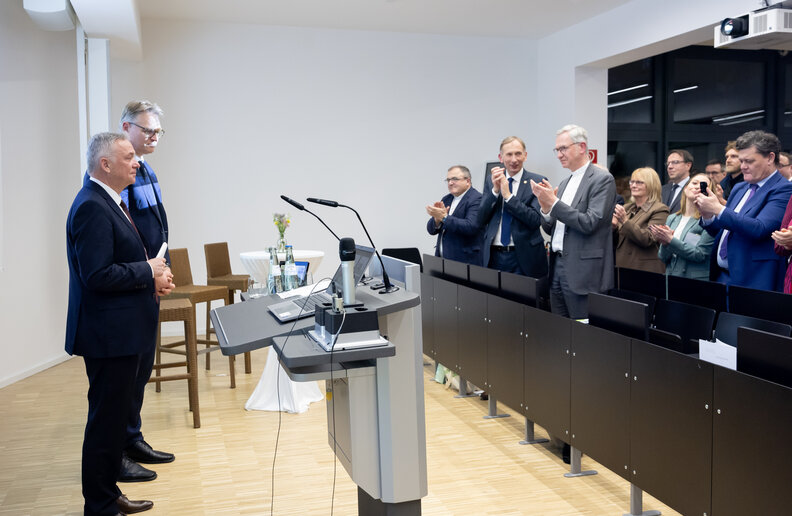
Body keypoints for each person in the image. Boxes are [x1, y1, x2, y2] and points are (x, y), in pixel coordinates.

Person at [66, 132, 174, 515]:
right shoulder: (92, 206)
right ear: (105, 165)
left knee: (111, 422)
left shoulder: (109, 201)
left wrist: (152, 279)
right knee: (104, 423)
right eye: (129, 157)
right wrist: (146, 270)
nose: (137, 162)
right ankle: (100, 504)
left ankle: (109, 494)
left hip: (120, 331)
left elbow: (118, 262)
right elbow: (96, 275)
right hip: (108, 335)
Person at [116, 100, 175, 481]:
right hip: (134, 282)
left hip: (149, 281)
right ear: (126, 128)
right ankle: (116, 452)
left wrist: (162, 268)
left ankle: (132, 438)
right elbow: (124, 235)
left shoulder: (146, 168)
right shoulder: (118, 173)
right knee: (124, 376)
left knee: (140, 371)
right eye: (147, 130)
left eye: (157, 131)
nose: (153, 136)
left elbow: (154, 227)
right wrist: (148, 272)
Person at [531, 124, 616, 320]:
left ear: (582, 147)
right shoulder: (565, 182)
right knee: (561, 332)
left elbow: (590, 223)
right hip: (557, 266)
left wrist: (553, 203)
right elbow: (550, 227)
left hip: (584, 271)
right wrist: (545, 208)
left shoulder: (602, 179)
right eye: (557, 150)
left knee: (583, 334)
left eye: (563, 148)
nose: (559, 154)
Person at [697, 130, 792, 291]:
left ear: (770, 158)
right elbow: (726, 231)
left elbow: (759, 228)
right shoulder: (740, 188)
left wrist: (718, 209)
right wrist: (708, 216)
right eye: (741, 161)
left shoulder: (784, 189)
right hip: (722, 276)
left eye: (749, 161)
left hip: (754, 280)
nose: (743, 167)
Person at [478, 137, 547, 277]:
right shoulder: (491, 181)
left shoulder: (538, 181)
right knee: (494, 298)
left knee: (522, 298)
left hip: (523, 256)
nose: (514, 159)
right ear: (501, 157)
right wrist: (495, 192)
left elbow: (534, 220)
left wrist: (508, 196)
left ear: (525, 156)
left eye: (518, 153)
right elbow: (480, 218)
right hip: (494, 255)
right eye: (509, 154)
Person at [650, 173, 716, 280]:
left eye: (703, 185)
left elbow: (700, 255)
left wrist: (670, 240)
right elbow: (662, 257)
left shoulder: (708, 219)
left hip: (694, 281)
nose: (697, 186)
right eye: (694, 183)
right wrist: (665, 243)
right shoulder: (672, 218)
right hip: (671, 277)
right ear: (685, 188)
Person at [612, 167, 669, 274]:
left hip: (644, 270)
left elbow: (648, 238)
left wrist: (624, 221)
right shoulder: (627, 208)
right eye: (632, 182)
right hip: (622, 267)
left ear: (651, 185)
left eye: (639, 182)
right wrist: (613, 228)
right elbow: (618, 241)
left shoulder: (660, 209)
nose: (633, 185)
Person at [426, 165, 484, 265]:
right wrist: (436, 219)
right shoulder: (447, 199)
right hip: (443, 260)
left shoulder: (477, 199)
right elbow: (431, 230)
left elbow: (470, 226)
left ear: (468, 181)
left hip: (465, 261)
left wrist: (444, 217)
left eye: (455, 179)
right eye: (448, 180)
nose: (450, 183)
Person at [661, 149, 692, 214]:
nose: (670, 167)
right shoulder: (662, 190)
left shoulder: (695, 189)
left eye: (675, 162)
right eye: (668, 163)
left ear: (688, 165)